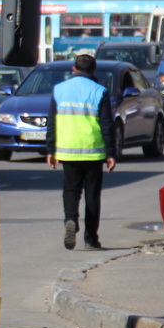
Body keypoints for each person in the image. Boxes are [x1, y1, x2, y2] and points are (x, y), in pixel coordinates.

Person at [46, 53, 117, 251]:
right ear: (94, 71)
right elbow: (107, 125)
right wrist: (111, 153)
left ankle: (70, 219)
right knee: (92, 196)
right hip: (93, 151)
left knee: (71, 191)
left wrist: (51, 149)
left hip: (68, 150)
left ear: (74, 69)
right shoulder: (100, 91)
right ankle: (91, 239)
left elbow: (52, 122)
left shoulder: (59, 90)